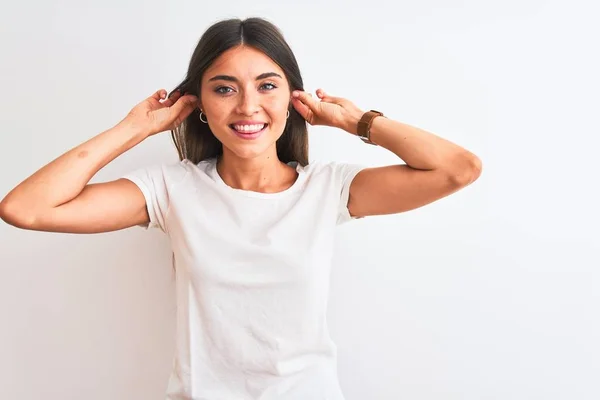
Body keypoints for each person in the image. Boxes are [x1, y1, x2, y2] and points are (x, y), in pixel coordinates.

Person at [0, 17, 482, 400]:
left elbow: (458, 169)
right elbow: (27, 208)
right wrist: (135, 129)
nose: (248, 106)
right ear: (200, 103)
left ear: (293, 99)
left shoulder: (329, 189)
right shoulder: (171, 190)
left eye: (267, 86)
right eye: (225, 88)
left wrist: (357, 120)